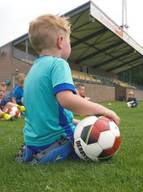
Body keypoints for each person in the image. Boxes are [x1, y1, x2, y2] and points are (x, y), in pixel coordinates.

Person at [16, 14, 120, 164]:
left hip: (32, 141)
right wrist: (104, 111)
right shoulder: (58, 64)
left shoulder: (33, 70)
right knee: (88, 139)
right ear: (61, 41)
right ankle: (52, 153)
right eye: (69, 41)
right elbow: (67, 100)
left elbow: (45, 112)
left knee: (81, 125)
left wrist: (77, 122)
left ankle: (33, 152)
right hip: (57, 138)